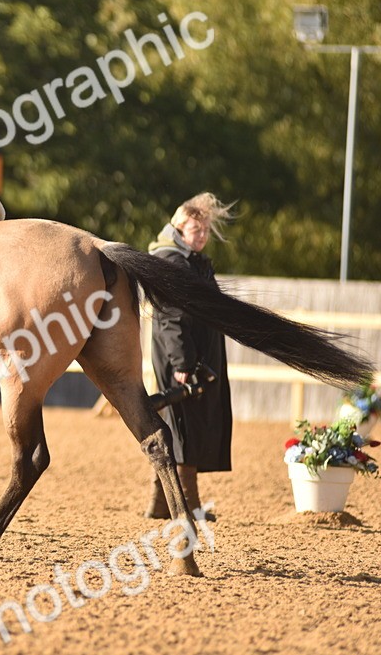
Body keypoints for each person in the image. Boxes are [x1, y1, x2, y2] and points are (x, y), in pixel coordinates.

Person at [144, 192, 236, 520]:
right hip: (181, 357)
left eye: (206, 229)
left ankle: (159, 502)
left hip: (191, 354)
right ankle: (188, 505)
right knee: (186, 425)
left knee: (177, 423)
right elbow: (170, 316)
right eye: (197, 230)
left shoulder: (189, 260)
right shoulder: (173, 261)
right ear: (179, 229)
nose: (203, 235)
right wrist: (182, 362)